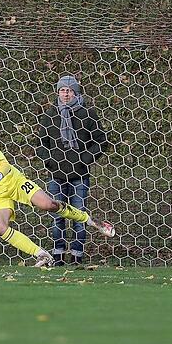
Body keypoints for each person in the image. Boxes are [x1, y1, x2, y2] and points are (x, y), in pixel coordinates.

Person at [0, 107, 115, 267]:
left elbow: (5, 164)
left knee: (48, 205)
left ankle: (90, 220)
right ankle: (41, 254)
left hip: (13, 181)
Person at [37, 76, 108, 266]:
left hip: (79, 176)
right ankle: (58, 256)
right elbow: (40, 144)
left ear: (76, 93)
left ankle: (77, 256)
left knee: (79, 216)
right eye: (62, 90)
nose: (66, 93)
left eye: (69, 90)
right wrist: (50, 161)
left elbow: (101, 141)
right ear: (58, 92)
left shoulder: (88, 114)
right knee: (57, 217)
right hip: (56, 176)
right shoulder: (50, 115)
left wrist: (84, 159)